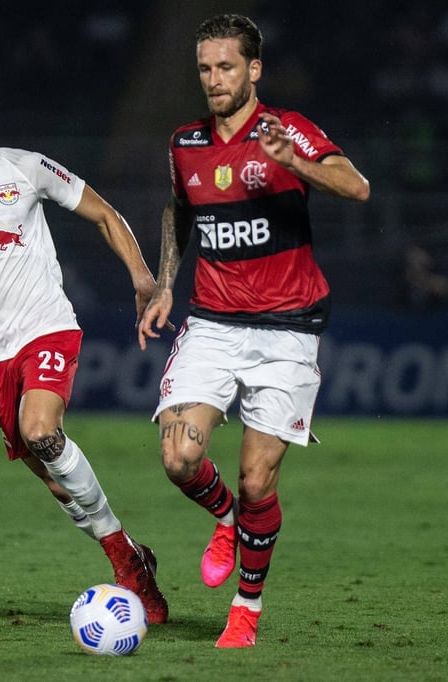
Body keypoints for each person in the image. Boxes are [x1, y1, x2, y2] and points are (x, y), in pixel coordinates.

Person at [0, 64, 168, 624]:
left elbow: (103, 213)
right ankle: (129, 555)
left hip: (46, 326)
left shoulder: (26, 168)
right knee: (53, 476)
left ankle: (125, 568)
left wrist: (142, 276)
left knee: (42, 430)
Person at [137, 14, 370, 647]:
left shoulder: (286, 130)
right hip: (213, 321)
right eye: (206, 69)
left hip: (288, 331)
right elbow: (179, 208)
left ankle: (246, 610)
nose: (214, 80)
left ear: (253, 70)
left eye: (226, 67)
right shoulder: (185, 143)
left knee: (257, 481)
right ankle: (225, 520)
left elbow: (357, 185)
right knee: (180, 458)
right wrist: (165, 285)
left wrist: (294, 160)